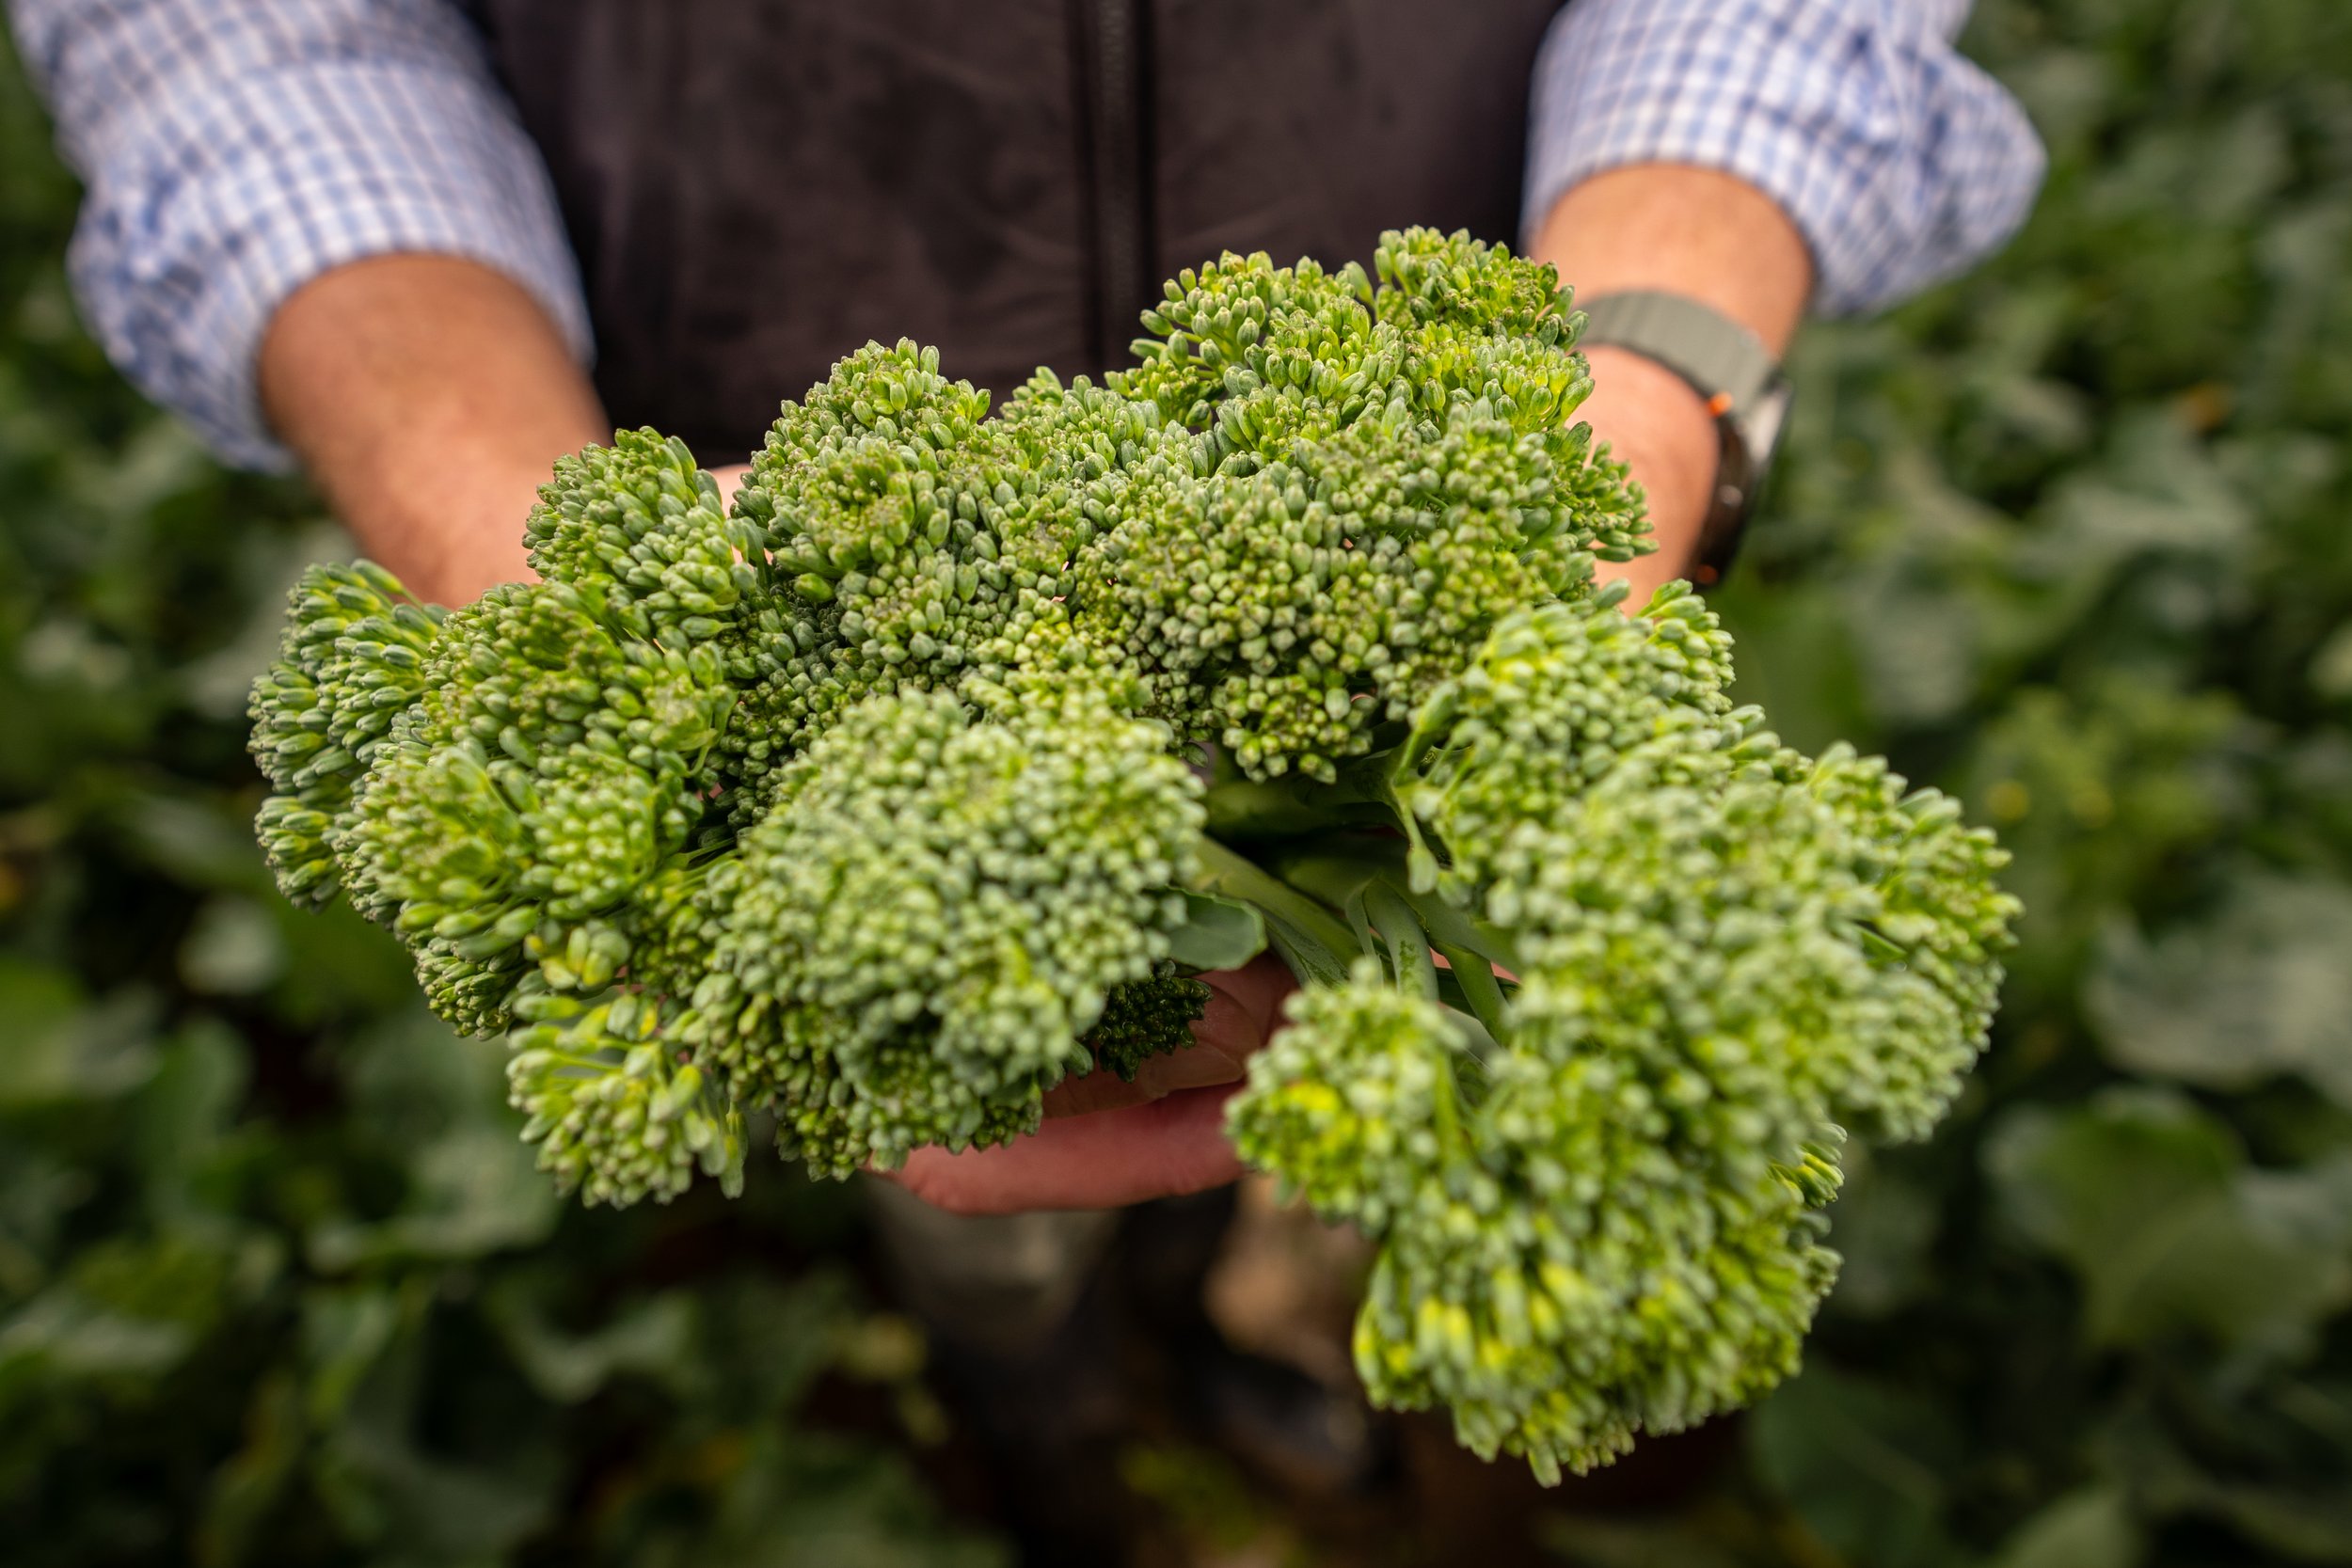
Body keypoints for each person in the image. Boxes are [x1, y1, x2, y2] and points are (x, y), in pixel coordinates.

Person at [8, 0, 2038, 1220]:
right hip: (726, 462)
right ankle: (1033, 1384)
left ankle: (1276, 1338)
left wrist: (1631, 381)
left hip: (1449, 389)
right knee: (952, 1127)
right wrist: (521, 535)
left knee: (1392, 1062)